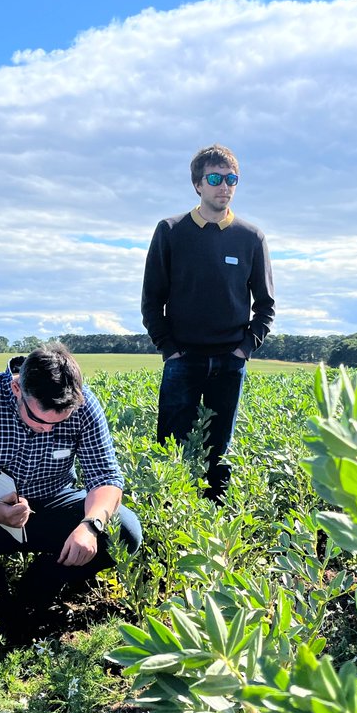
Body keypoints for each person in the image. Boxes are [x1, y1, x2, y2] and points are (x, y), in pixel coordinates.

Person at [0, 343, 142, 643]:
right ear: (17, 389)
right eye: (39, 420)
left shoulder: (84, 405)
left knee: (125, 531)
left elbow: (106, 478)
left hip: (53, 502)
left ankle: (41, 585)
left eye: (59, 422)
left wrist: (90, 525)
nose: (48, 430)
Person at [141, 143, 276, 502]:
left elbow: (265, 305)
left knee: (220, 453)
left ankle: (214, 531)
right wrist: (169, 350)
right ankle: (167, 522)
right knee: (170, 449)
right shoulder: (170, 231)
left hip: (229, 363)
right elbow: (151, 300)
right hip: (182, 359)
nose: (225, 187)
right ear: (197, 184)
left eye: (232, 179)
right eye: (215, 178)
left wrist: (243, 350)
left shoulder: (251, 237)